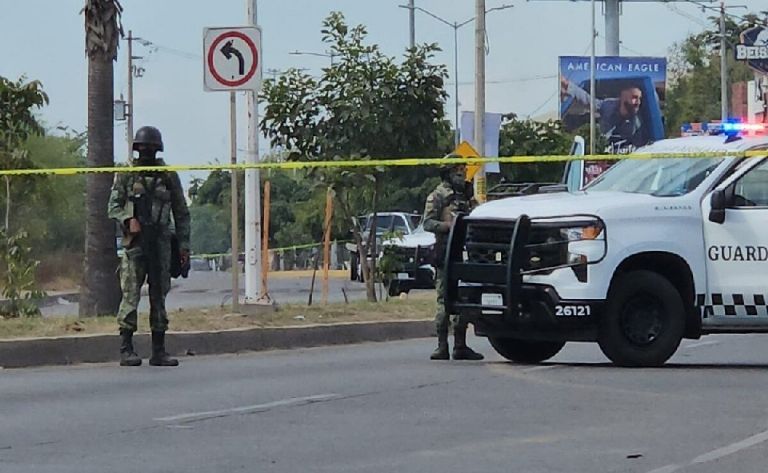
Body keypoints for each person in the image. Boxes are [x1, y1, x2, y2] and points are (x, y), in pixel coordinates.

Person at [108, 126, 191, 367]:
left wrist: (184, 246)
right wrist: (127, 219)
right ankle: (126, 349)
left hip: (162, 243)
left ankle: (159, 350)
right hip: (135, 244)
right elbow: (112, 206)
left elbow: (182, 212)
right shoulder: (126, 175)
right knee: (131, 296)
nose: (146, 152)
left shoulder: (167, 176)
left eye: (150, 148)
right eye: (142, 148)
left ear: (158, 149)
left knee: (159, 296)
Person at [423, 158, 484, 361]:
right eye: (458, 171)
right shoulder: (438, 196)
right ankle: (442, 346)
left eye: (463, 170)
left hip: (467, 252)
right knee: (444, 299)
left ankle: (461, 345)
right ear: (448, 173)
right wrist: (449, 226)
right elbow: (428, 223)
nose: (462, 174)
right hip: (446, 252)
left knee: (465, 298)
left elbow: (479, 215)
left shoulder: (467, 195)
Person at [561, 78, 648, 148]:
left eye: (640, 98)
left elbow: (640, 147)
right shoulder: (608, 106)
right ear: (623, 96)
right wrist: (568, 85)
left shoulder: (638, 124)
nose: (638, 102)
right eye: (634, 97)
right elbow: (588, 101)